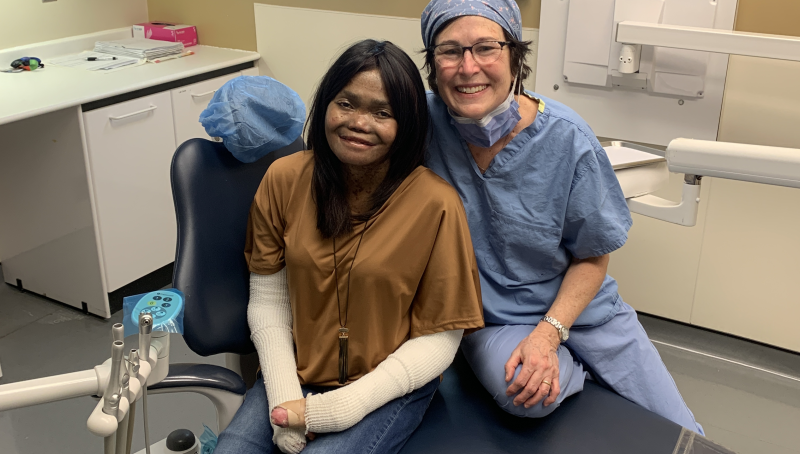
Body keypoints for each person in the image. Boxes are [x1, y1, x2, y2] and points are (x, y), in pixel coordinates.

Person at [419, 0, 704, 434]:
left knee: (680, 430)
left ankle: (571, 361)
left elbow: (593, 256)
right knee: (526, 392)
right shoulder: (420, 123)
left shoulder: (568, 140)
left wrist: (549, 335)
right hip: (497, 318)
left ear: (516, 55)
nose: (468, 66)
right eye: (450, 51)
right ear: (432, 63)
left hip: (586, 310)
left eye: (486, 48)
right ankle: (566, 373)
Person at [214, 39, 484, 454]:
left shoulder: (436, 204)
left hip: (389, 385)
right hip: (296, 372)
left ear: (406, 124)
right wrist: (287, 401)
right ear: (325, 104)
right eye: (346, 103)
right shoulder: (284, 179)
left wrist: (341, 408)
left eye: (382, 112)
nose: (359, 122)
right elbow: (268, 298)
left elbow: (442, 337)